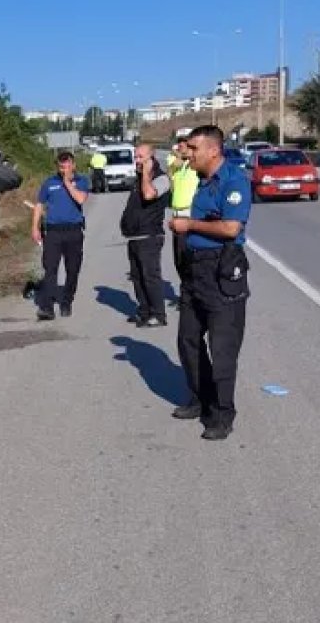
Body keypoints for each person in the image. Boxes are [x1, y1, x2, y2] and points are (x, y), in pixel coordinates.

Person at [168, 126, 252, 441]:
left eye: (193, 148)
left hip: (222, 268)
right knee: (188, 339)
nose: (188, 153)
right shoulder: (202, 182)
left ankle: (222, 413)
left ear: (213, 151)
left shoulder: (233, 181)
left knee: (222, 348)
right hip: (195, 271)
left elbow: (231, 228)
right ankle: (199, 398)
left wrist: (189, 224)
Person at [31, 151, 90, 321]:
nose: (63, 169)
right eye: (61, 166)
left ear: (73, 165)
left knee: (73, 269)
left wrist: (67, 183)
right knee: (50, 268)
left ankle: (66, 301)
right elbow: (39, 205)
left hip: (73, 231)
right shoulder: (49, 183)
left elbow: (80, 199)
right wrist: (35, 228)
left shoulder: (81, 181)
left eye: (66, 166)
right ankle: (47, 308)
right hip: (53, 231)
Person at [119, 144, 171, 327]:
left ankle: (158, 313)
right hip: (134, 237)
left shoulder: (160, 178)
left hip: (150, 236)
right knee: (137, 277)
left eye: (141, 157)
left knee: (150, 277)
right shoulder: (139, 179)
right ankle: (144, 310)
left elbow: (149, 195)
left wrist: (147, 173)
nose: (137, 161)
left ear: (152, 158)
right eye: (136, 157)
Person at [168, 137, 199, 310]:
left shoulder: (195, 166)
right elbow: (172, 168)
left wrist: (183, 155)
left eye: (185, 145)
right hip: (177, 213)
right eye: (179, 144)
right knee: (179, 259)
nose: (181, 147)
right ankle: (187, 292)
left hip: (190, 214)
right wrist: (178, 156)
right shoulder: (179, 165)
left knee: (189, 259)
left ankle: (191, 296)